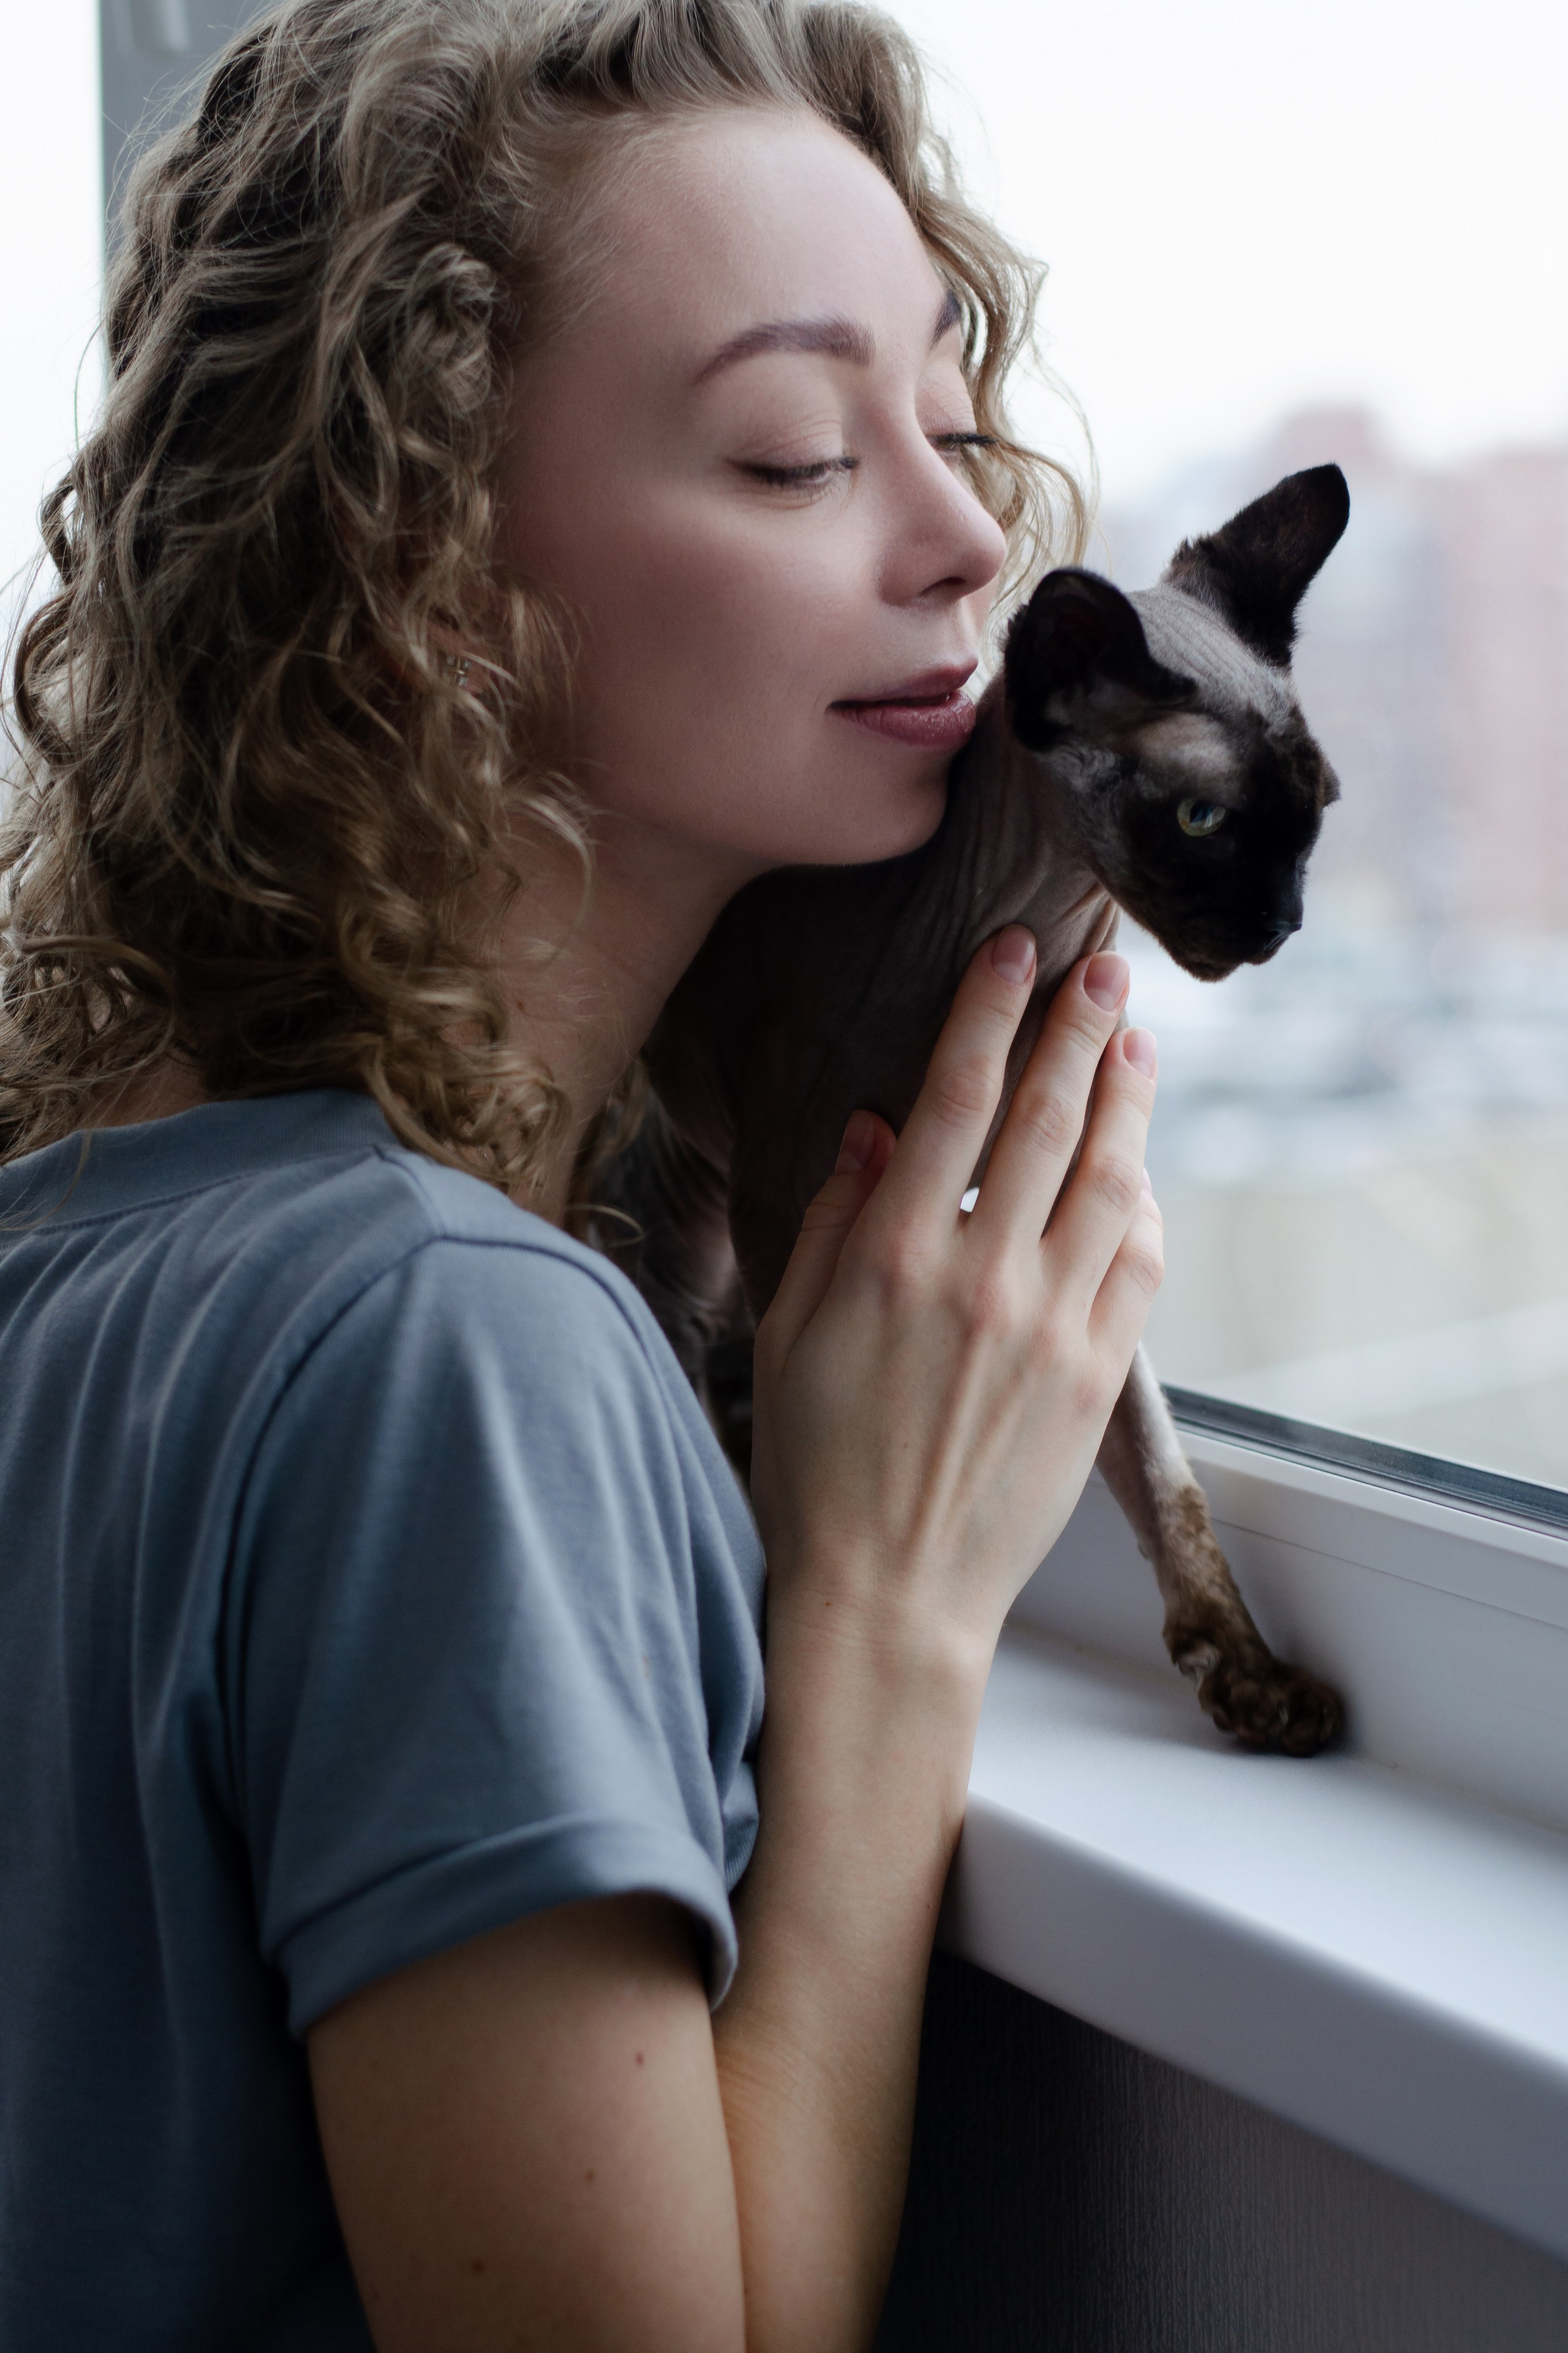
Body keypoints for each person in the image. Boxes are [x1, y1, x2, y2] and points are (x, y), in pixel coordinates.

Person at [0, 0, 1163, 2344]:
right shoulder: (451, 1346)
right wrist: (887, 1626)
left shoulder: (85, 1239)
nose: (968, 541)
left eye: (948, 418)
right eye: (784, 457)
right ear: (430, 576)